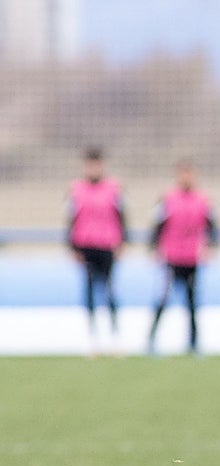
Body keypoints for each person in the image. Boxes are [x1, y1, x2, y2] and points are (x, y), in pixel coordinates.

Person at [148, 160, 218, 355]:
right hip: (172, 258)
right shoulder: (168, 199)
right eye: (183, 174)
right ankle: (151, 340)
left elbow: (212, 226)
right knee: (163, 300)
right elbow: (157, 225)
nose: (186, 178)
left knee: (192, 303)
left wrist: (210, 247)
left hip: (192, 258)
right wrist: (154, 248)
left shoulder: (203, 200)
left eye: (189, 174)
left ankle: (193, 344)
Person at [67, 146, 127, 355]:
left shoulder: (114, 189)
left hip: (107, 245)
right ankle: (93, 338)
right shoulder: (76, 189)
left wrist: (122, 242)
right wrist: (73, 246)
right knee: (89, 291)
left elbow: (122, 216)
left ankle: (115, 337)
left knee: (110, 291)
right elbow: (71, 219)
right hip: (86, 246)